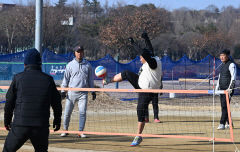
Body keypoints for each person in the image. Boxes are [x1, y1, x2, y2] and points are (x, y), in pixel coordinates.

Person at [3, 49, 62, 152]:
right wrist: (57, 120)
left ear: (25, 64)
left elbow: (9, 101)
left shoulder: (18, 78)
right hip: (40, 125)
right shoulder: (48, 79)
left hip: (21, 124)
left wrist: (7, 120)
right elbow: (56, 102)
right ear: (40, 64)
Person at [103, 48, 162, 146]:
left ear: (146, 58)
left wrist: (135, 45)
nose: (139, 59)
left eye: (141, 57)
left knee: (140, 110)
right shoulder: (152, 59)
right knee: (126, 73)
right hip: (140, 84)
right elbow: (149, 48)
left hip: (147, 91)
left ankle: (138, 136)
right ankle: (108, 80)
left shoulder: (153, 63)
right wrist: (145, 38)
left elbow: (145, 53)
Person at [60, 45, 96, 138]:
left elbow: (90, 80)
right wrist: (63, 91)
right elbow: (66, 79)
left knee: (82, 112)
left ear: (83, 53)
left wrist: (92, 91)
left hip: (83, 93)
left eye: (81, 51)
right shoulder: (70, 65)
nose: (79, 53)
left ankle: (80, 131)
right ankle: (65, 130)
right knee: (67, 112)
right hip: (71, 93)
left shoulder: (88, 65)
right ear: (75, 53)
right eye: (78, 51)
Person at [215, 49, 236, 130]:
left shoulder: (231, 65)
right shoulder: (222, 65)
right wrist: (217, 88)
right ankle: (229, 122)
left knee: (224, 106)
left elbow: (233, 78)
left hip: (228, 89)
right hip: (221, 89)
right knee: (224, 106)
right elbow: (220, 77)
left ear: (228, 56)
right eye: (221, 55)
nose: (222, 57)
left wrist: (230, 88)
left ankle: (222, 123)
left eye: (223, 55)